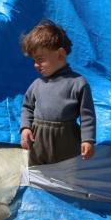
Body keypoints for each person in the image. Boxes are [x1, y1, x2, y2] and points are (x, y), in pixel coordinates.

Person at [19, 20, 96, 165]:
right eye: (34, 60)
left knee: (67, 171)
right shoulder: (37, 85)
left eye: (40, 59)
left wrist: (87, 140)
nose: (36, 65)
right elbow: (27, 108)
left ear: (60, 54)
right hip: (38, 143)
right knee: (37, 170)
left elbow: (87, 116)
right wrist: (25, 128)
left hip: (66, 143)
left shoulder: (78, 83)